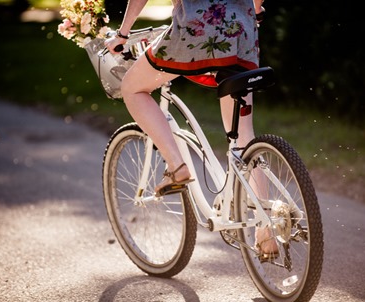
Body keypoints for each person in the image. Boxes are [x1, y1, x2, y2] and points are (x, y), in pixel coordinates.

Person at [105, 0, 277, 254]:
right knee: (244, 136)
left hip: (198, 28)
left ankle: (176, 166)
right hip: (242, 32)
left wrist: (122, 34)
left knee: (132, 87)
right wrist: (256, 10)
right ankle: (267, 231)